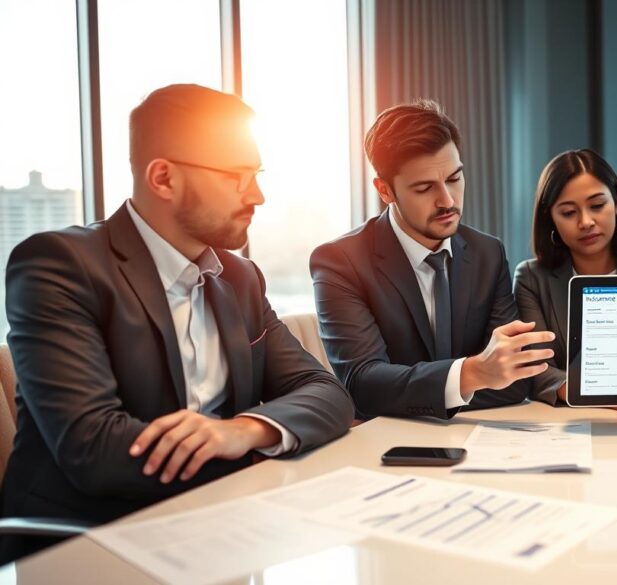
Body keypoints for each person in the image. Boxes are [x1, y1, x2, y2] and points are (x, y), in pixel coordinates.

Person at [1, 84, 355, 561]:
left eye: (257, 174)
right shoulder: (57, 266)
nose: (258, 195)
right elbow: (96, 452)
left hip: (221, 530)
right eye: (237, 176)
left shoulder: (240, 276)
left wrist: (246, 430)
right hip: (84, 541)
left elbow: (325, 391)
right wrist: (242, 458)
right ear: (164, 178)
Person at [310, 100, 552, 420]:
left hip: (477, 441)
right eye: (425, 188)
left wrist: (420, 390)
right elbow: (364, 384)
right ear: (385, 190)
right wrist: (472, 374)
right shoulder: (340, 262)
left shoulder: (487, 254)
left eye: (454, 178)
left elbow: (512, 383)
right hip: (383, 446)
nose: (447, 201)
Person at [515, 149, 617, 414]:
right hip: (572, 420)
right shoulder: (531, 278)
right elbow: (535, 371)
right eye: (568, 212)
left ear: (616, 203)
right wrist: (613, 399)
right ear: (551, 219)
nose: (586, 222)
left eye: (597, 205)